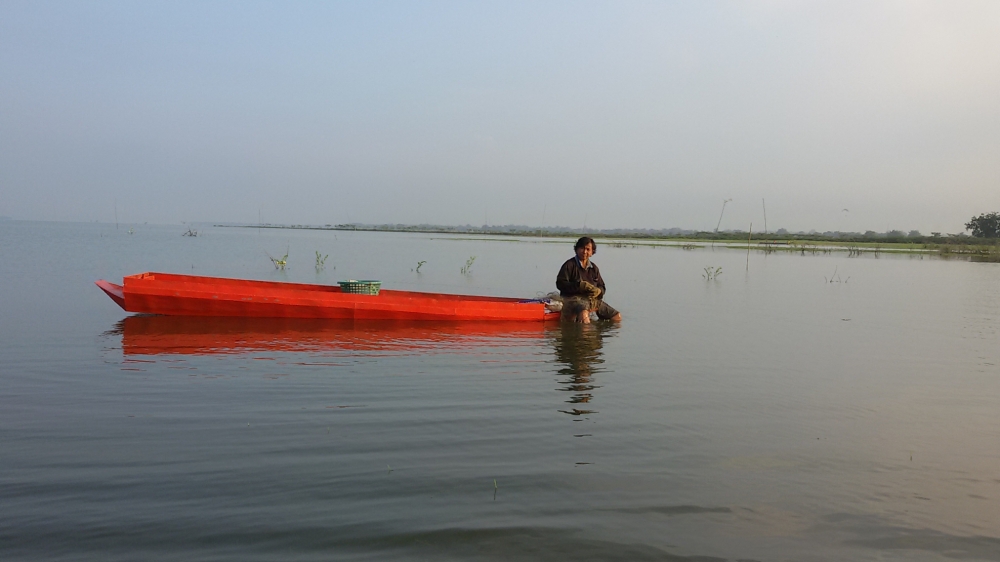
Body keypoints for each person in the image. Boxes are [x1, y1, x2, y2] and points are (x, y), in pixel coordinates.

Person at [556, 237, 621, 323]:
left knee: (616, 316)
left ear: (592, 252)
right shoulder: (569, 265)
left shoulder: (594, 268)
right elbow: (560, 284)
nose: (585, 251)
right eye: (582, 248)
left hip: (591, 300)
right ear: (576, 249)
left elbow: (602, 286)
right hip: (573, 300)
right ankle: (585, 335)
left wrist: (598, 291)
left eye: (588, 249)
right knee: (584, 315)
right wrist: (579, 286)